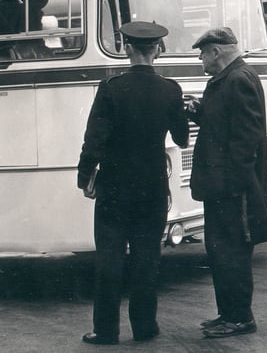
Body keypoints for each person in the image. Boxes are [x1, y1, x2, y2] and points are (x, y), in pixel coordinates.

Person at [77, 22, 189, 345]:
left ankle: (106, 330)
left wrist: (85, 177)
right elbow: (181, 138)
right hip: (153, 187)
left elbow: (94, 139)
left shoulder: (110, 89)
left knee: (109, 258)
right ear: (158, 50)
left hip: (114, 187)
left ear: (127, 48)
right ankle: (144, 326)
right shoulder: (171, 90)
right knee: (146, 258)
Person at [188, 27, 267, 338]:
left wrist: (234, 184)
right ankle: (229, 313)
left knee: (232, 252)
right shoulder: (229, 79)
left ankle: (239, 317)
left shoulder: (238, 80)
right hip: (222, 185)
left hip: (231, 187)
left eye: (203, 52)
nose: (200, 59)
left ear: (216, 52)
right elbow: (223, 122)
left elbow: (246, 139)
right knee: (221, 251)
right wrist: (198, 111)